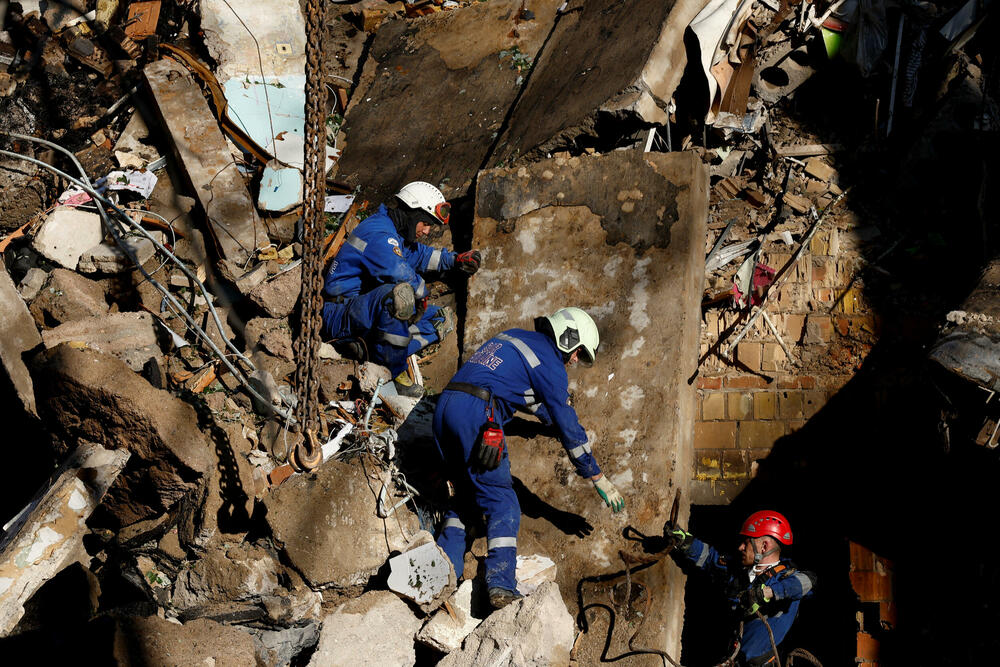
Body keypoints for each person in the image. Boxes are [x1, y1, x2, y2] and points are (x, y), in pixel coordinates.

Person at [433, 307, 626, 610]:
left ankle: (440, 576)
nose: (575, 360)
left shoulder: (515, 339)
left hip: (445, 410)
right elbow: (565, 420)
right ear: (567, 339)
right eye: (577, 352)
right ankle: (500, 586)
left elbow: (526, 401)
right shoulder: (549, 362)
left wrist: (550, 429)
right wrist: (597, 477)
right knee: (503, 502)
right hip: (479, 416)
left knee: (468, 497)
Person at [321, 181, 481, 397]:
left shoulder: (396, 234)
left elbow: (421, 255)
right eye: (425, 223)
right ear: (412, 213)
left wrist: (455, 260)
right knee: (400, 296)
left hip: (364, 311)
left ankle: (371, 348)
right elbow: (399, 271)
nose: (426, 231)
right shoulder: (378, 232)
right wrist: (421, 293)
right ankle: (393, 372)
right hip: (341, 314)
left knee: (441, 319)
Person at [665, 510, 816, 666]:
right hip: (731, 659)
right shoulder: (739, 571)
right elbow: (709, 558)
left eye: (747, 542)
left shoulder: (785, 578)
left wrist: (766, 593)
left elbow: (807, 582)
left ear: (764, 546)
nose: (740, 547)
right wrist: (684, 541)